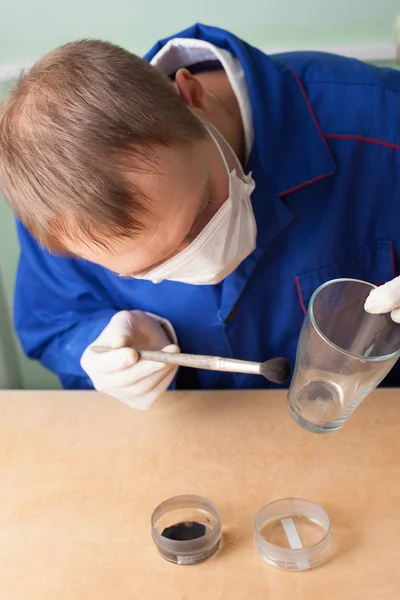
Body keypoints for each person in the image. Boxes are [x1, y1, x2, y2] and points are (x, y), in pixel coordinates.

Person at [0, 23, 399, 410]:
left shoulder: (382, 123)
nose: (207, 263)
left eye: (202, 214)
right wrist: (96, 347)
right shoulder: (63, 213)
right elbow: (53, 324)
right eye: (153, 267)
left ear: (192, 97)